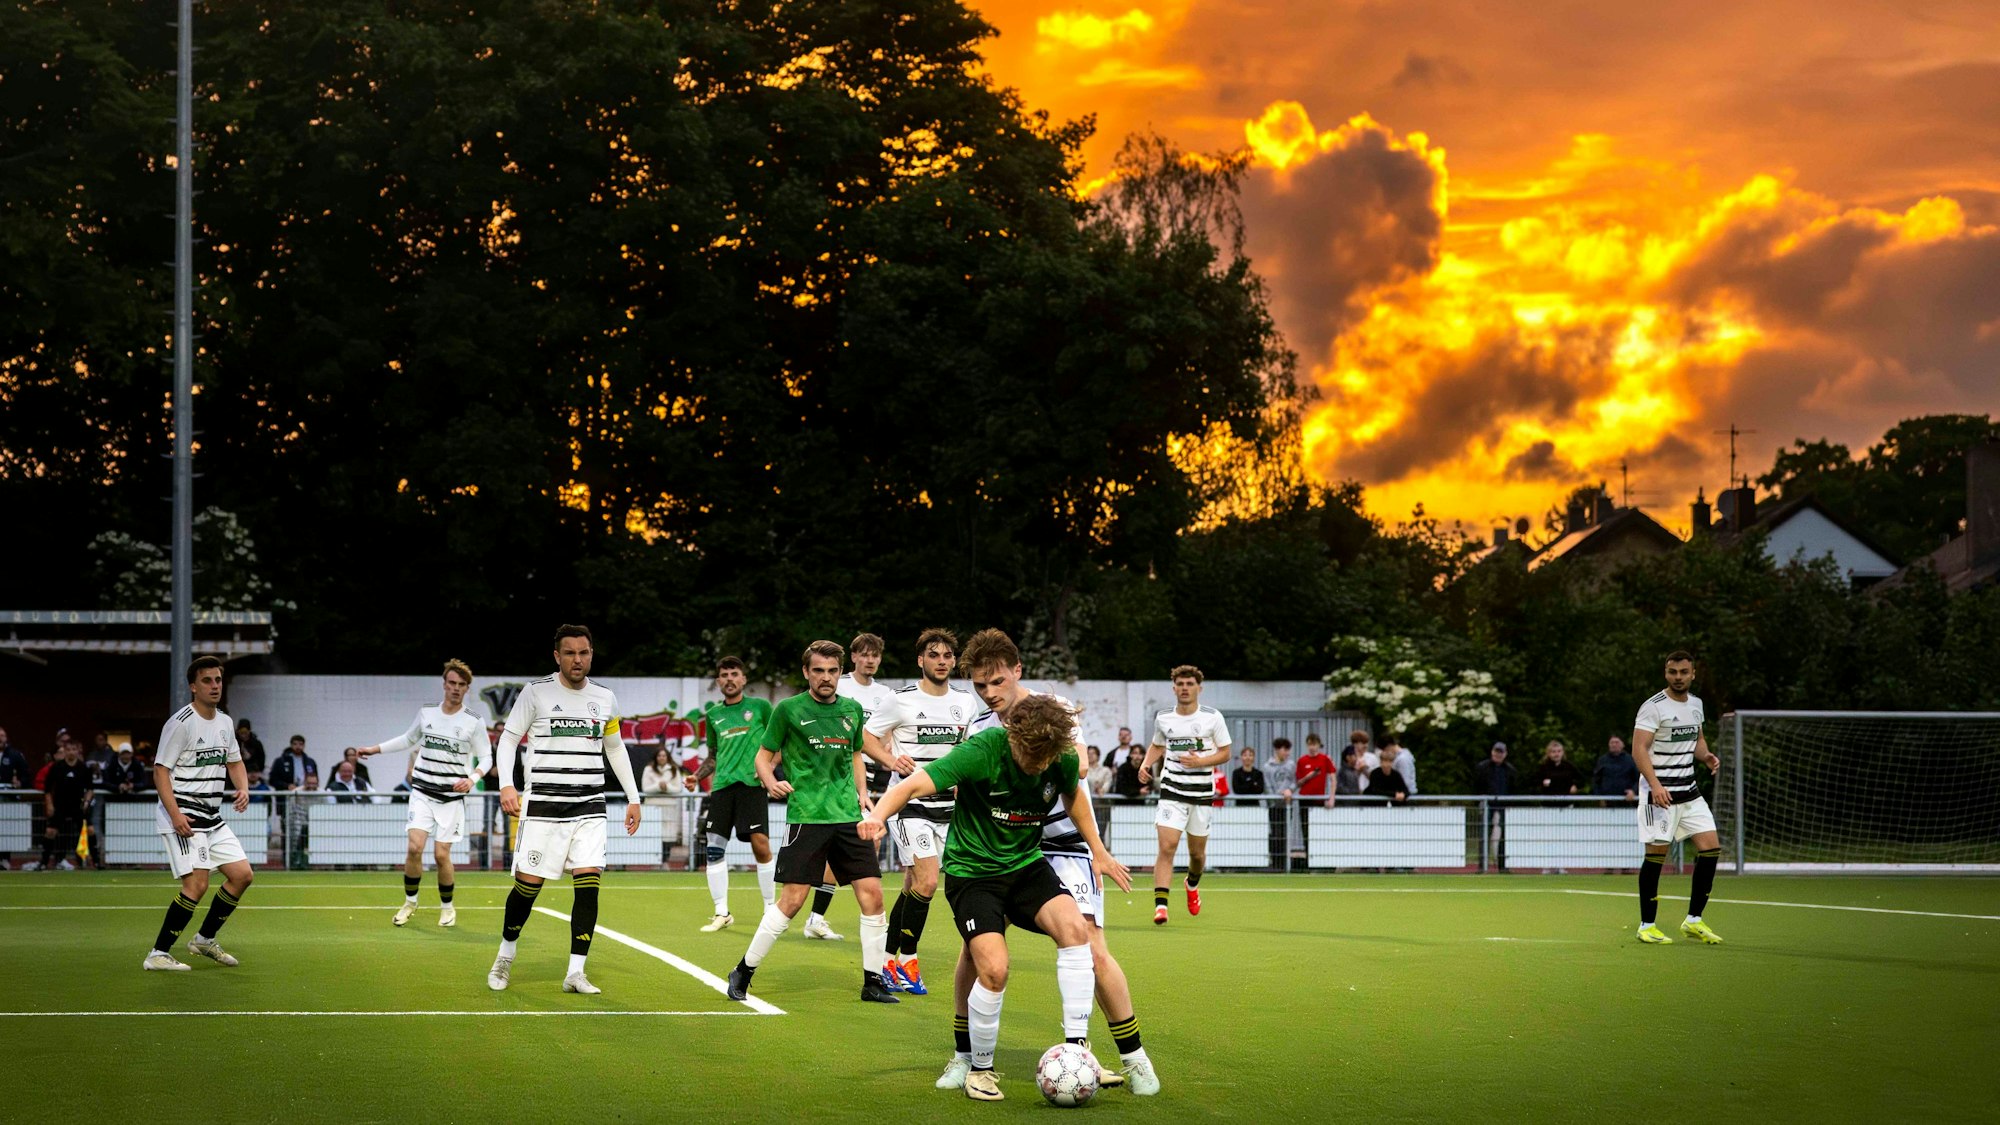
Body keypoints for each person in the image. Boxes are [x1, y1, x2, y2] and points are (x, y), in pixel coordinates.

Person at [868, 640, 1154, 1101]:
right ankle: (971, 1061)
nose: (988, 691)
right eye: (980, 683)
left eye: (997, 680)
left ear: (1018, 672)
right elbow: (917, 781)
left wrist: (1098, 849)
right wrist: (876, 817)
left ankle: (1088, 1053)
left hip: (1035, 856)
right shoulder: (983, 738)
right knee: (988, 964)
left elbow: (1074, 788)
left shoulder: (1053, 731)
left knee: (1081, 937)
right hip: (978, 866)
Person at [724, 640, 898, 1005]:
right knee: (792, 900)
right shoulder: (788, 709)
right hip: (807, 817)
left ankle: (873, 982)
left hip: (849, 817)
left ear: (840, 673)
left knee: (873, 895)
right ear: (806, 672)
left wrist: (863, 793)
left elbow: (854, 755)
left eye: (832, 671)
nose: (826, 678)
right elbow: (762, 757)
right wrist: (771, 782)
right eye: (818, 671)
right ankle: (744, 970)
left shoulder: (851, 709)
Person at [487, 625, 643, 995]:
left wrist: (634, 797)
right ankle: (505, 955)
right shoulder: (536, 692)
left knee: (588, 886)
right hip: (542, 806)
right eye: (570, 653)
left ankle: (575, 972)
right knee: (528, 887)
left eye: (584, 652)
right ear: (557, 656)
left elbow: (616, 748)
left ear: (592, 654)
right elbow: (509, 739)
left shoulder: (605, 697)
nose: (578, 659)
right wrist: (506, 785)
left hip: (589, 806)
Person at [861, 628, 981, 995]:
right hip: (909, 804)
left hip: (950, 808)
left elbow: (971, 749)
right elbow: (865, 737)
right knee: (928, 881)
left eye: (947, 655)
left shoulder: (966, 702)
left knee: (915, 886)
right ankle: (908, 961)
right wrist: (890, 759)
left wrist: (967, 777)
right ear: (921, 660)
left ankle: (885, 958)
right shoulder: (900, 700)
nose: (941, 661)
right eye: (934, 654)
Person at [355, 659, 491, 928]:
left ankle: (448, 907)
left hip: (451, 799)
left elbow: (487, 757)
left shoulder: (474, 721)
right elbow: (408, 739)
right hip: (422, 792)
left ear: (467, 689)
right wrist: (375, 749)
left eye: (461, 685)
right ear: (444, 684)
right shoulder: (427, 712)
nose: (455, 688)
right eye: (451, 683)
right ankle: (410, 902)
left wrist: (472, 779)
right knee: (414, 847)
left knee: (442, 856)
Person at [143, 655, 254, 971]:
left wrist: (242, 788)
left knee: (242, 875)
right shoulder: (180, 723)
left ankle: (204, 939)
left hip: (211, 817)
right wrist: (175, 814)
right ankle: (158, 953)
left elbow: (234, 761)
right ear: (193, 686)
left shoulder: (225, 722)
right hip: (183, 816)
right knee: (197, 885)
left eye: (218, 680)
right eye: (207, 680)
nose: (215, 685)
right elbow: (160, 772)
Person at [1632, 651, 1725, 945]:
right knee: (1656, 855)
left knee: (1711, 848)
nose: (1678, 677)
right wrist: (1655, 784)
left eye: (1684, 672)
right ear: (1666, 673)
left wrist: (1706, 756)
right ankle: (1647, 925)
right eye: (1673, 672)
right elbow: (1639, 750)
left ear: (1693, 673)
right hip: (1660, 793)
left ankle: (1693, 921)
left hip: (1690, 791)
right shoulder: (1653, 707)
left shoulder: (1696, 705)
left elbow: (1696, 739)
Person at [1138, 665, 1232, 926]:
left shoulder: (1213, 718)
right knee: (1167, 847)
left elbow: (1225, 753)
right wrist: (1145, 764)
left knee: (1197, 856)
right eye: (1180, 684)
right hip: (1172, 792)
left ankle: (1191, 885)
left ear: (1199, 688)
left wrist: (1201, 761)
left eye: (1190, 684)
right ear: (1174, 688)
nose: (1185, 688)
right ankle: (1161, 906)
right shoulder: (1164, 718)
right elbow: (1157, 745)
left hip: (1201, 794)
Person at [694, 655, 777, 933]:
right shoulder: (714, 715)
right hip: (721, 789)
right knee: (714, 847)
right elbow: (713, 757)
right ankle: (721, 913)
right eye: (724, 675)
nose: (729, 679)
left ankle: (769, 910)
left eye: (734, 674)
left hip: (751, 788)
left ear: (743, 679)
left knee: (760, 844)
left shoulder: (760, 707)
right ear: (719, 681)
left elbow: (779, 741)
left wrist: (768, 767)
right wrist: (696, 776)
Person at [41, 737, 92, 871]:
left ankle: (94, 862)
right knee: (50, 832)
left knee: (89, 831)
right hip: (60, 805)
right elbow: (47, 789)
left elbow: (90, 789)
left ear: (77, 751)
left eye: (73, 749)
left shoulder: (83, 768)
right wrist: (50, 805)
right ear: (65, 751)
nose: (71, 752)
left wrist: (87, 802)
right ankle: (43, 862)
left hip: (78, 806)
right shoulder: (57, 767)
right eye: (68, 749)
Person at [1471, 742, 1518, 867]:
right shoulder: (1482, 767)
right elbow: (1476, 786)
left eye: (1501, 752)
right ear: (1492, 752)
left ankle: (1502, 865)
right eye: (1496, 751)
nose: (1498, 754)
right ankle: (1482, 864)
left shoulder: (1510, 770)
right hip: (1487, 805)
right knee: (1484, 834)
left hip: (1503, 805)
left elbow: (1514, 788)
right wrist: (1479, 802)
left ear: (1505, 754)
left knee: (1503, 836)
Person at [1294, 733, 1336, 857]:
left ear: (1319, 745)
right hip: (1305, 799)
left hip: (1319, 800)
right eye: (1310, 744)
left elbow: (1333, 778)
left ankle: (1319, 858)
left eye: (1314, 744)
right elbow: (1298, 782)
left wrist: (1331, 797)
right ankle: (1308, 858)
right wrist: (1310, 776)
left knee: (1319, 830)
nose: (1312, 747)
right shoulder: (1302, 761)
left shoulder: (1325, 759)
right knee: (1306, 831)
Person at [1262, 739, 1296, 860]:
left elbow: (1294, 782)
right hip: (1274, 806)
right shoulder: (1267, 767)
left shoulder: (1291, 765)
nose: (1287, 753)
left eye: (1288, 750)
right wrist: (1275, 798)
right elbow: (1267, 786)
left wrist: (1290, 791)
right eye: (1285, 749)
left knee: (1285, 833)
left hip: (1287, 805)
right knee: (1275, 832)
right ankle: (1275, 860)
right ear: (1277, 750)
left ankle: (1285, 861)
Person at [1592, 735, 1640, 800]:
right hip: (1606, 800)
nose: (1614, 745)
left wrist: (1633, 791)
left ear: (1623, 745)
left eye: (1617, 742)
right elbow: (1596, 780)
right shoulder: (1602, 761)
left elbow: (1638, 779)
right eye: (1612, 743)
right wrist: (1598, 797)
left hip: (1626, 800)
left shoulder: (1631, 760)